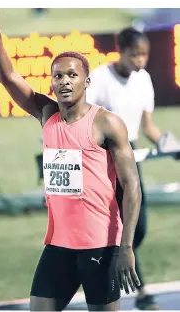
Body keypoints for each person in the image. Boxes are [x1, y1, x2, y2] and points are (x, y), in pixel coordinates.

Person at [0, 0, 142, 311]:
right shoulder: (47, 114)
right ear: (51, 82)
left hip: (101, 247)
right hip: (59, 246)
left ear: (87, 82)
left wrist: (127, 247)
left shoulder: (107, 124)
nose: (64, 81)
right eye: (58, 76)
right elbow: (6, 76)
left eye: (72, 76)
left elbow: (132, 186)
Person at [86, 27, 163, 310]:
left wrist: (172, 145)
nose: (140, 61)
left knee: (136, 229)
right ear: (122, 51)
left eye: (144, 55)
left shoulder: (144, 81)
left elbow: (149, 128)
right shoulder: (101, 79)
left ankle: (116, 262)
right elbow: (85, 122)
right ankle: (142, 294)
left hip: (130, 155)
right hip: (104, 158)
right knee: (123, 226)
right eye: (135, 55)